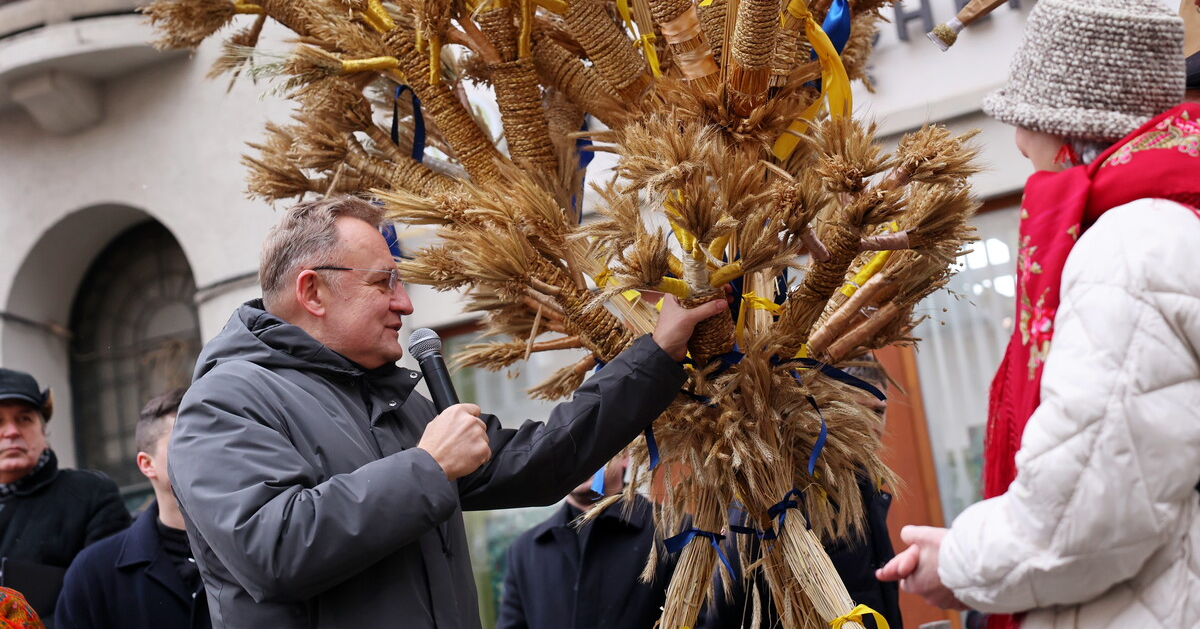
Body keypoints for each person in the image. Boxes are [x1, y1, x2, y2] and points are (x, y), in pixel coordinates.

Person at [168, 195, 728, 629]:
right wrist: (429, 468)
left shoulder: (388, 401)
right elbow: (272, 549)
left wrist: (657, 354)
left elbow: (545, 459)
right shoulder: (224, 402)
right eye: (385, 282)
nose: (405, 303)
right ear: (313, 292)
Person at [876, 0, 1200, 628]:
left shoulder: (1129, 252)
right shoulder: (1173, 221)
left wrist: (959, 562)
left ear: (1069, 129)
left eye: (1026, 120)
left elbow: (1083, 516)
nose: (1021, 146)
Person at [699, 361, 901, 629]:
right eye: (858, 410)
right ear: (827, 411)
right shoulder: (779, 497)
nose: (872, 425)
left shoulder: (867, 491)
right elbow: (726, 609)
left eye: (879, 411)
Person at [55, 388, 209, 629]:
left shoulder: (259, 544)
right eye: (187, 440)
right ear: (147, 464)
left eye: (214, 439)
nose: (207, 453)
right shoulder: (93, 572)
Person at [0, 369, 130, 621]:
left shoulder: (89, 494)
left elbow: (109, 594)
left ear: (43, 430)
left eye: (24, 419)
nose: (12, 432)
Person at [497, 455, 674, 629]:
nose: (580, 457)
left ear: (625, 456)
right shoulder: (524, 551)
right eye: (569, 449)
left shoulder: (674, 532)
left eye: (594, 444)